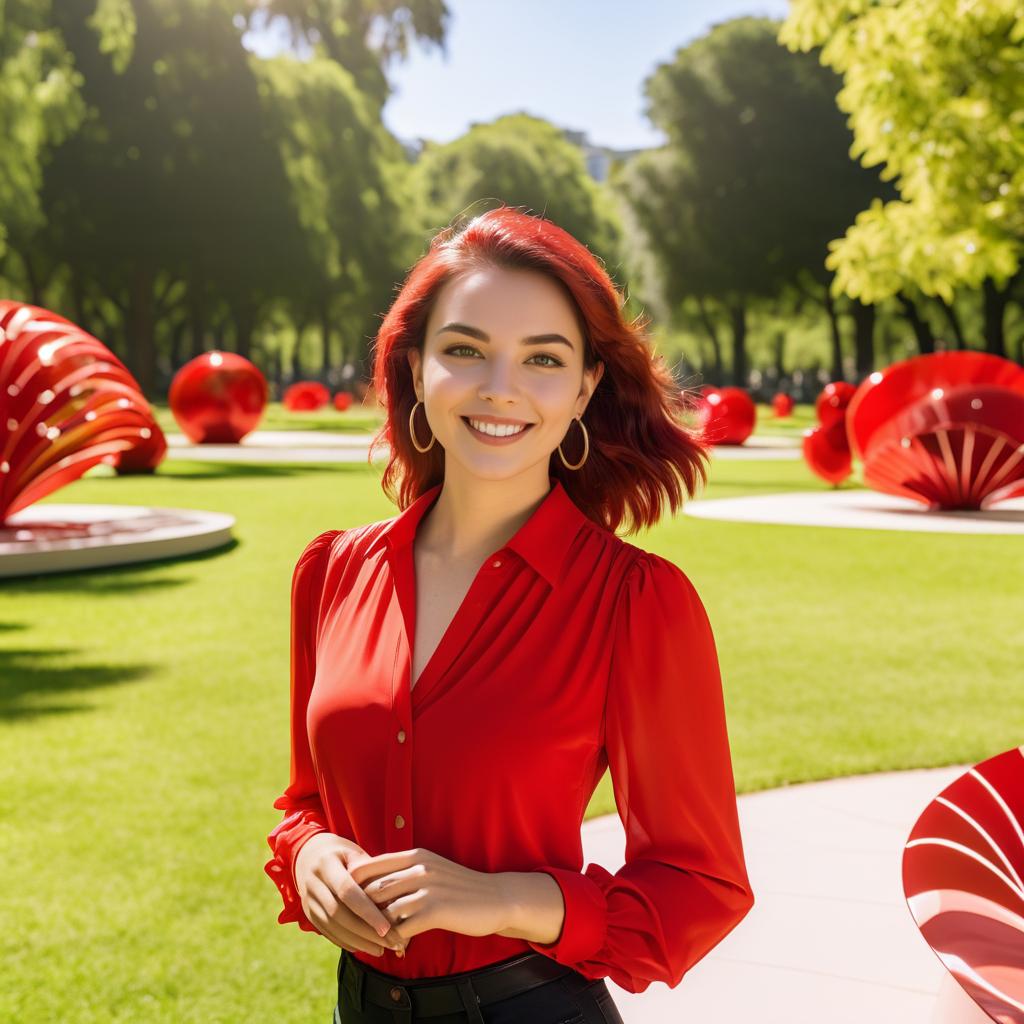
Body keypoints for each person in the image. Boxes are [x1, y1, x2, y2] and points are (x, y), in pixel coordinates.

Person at [264, 206, 755, 1023]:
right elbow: (305, 802)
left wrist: (501, 901)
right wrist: (310, 851)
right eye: (465, 350)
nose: (501, 388)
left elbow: (700, 884)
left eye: (543, 358)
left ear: (585, 387)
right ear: (414, 366)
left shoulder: (636, 604)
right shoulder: (330, 573)